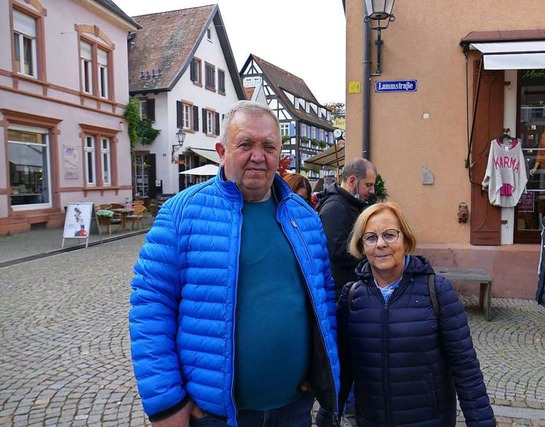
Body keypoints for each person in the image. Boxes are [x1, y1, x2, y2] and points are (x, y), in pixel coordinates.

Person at [129, 101, 340, 427]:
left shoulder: (305, 217)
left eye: (268, 146)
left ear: (280, 156)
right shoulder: (181, 213)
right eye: (245, 144)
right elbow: (150, 308)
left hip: (294, 408)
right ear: (222, 151)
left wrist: (323, 372)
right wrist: (168, 405)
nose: (258, 156)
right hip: (216, 415)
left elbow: (325, 300)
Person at [325, 202, 496, 427]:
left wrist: (482, 422)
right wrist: (327, 415)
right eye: (371, 238)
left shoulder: (437, 291)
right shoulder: (352, 297)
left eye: (390, 235)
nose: (381, 244)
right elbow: (343, 369)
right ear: (362, 246)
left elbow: (465, 367)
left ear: (405, 240)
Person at [316, 158, 377, 291]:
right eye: (368, 185)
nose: (372, 191)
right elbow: (336, 251)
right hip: (341, 288)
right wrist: (370, 247)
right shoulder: (335, 208)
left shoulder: (349, 204)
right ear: (352, 181)